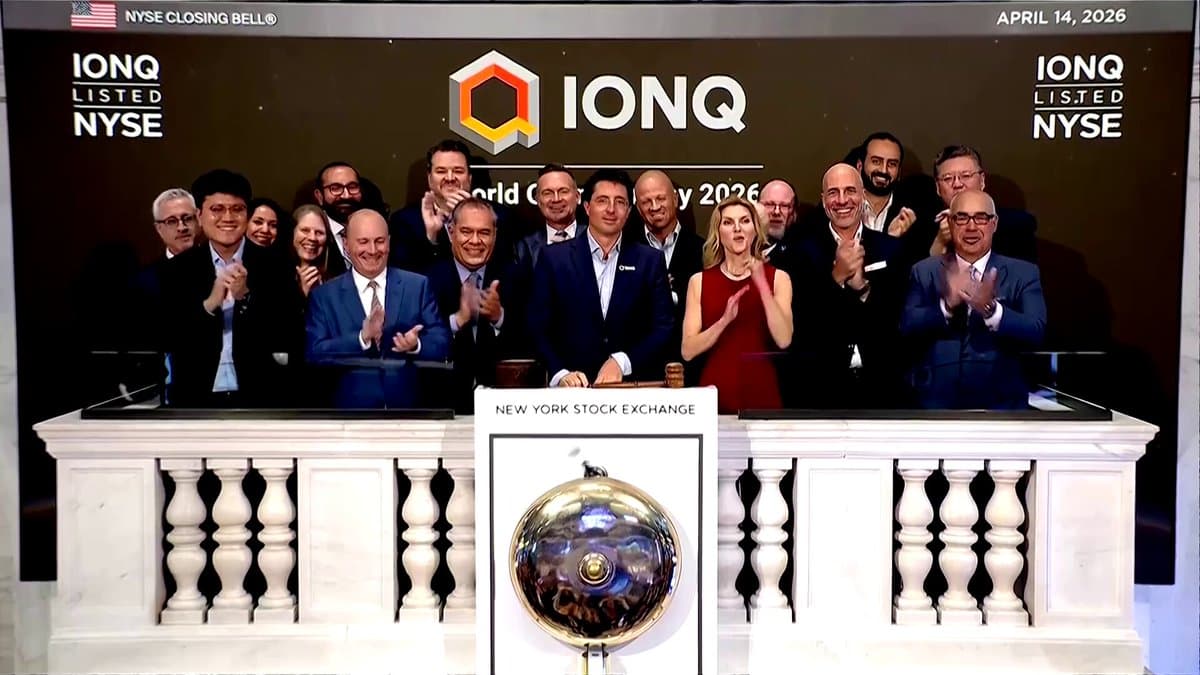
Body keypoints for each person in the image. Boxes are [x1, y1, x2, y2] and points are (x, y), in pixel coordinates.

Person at [900, 189, 1047, 409]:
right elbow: (907, 327)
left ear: (994, 224)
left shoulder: (1023, 273)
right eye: (962, 218)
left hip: (1002, 407)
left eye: (981, 218)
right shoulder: (924, 271)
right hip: (935, 407)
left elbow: (1036, 330)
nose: (971, 227)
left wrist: (992, 311)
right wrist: (946, 306)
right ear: (950, 223)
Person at [528, 169, 674, 387]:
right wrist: (560, 373)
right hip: (570, 392)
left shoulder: (650, 260)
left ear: (629, 211)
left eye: (620, 202)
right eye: (602, 200)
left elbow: (663, 327)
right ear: (587, 207)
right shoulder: (553, 258)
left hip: (632, 390)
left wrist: (623, 362)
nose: (611, 210)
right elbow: (537, 327)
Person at [160, 169, 291, 407]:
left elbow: (286, 334)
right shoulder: (177, 270)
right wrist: (210, 304)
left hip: (260, 396)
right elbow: (169, 337)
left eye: (237, 209)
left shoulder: (277, 266)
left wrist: (245, 297)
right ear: (199, 216)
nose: (228, 218)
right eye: (217, 209)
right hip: (195, 397)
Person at [788, 163, 909, 408]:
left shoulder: (891, 249)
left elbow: (896, 319)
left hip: (882, 386)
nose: (842, 200)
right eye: (833, 193)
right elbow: (803, 325)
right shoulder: (800, 253)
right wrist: (836, 279)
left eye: (850, 191)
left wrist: (862, 289)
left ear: (863, 195)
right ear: (824, 200)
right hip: (822, 386)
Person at [305, 209, 450, 408]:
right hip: (350, 416)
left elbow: (443, 342)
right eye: (363, 242)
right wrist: (361, 338)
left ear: (389, 242)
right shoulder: (324, 296)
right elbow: (314, 354)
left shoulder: (417, 286)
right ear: (346, 245)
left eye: (379, 241)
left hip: (409, 414)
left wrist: (415, 345)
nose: (373, 250)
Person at [681, 196, 793, 413]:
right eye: (728, 222)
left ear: (755, 229)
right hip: (715, 396)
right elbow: (687, 350)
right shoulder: (699, 281)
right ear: (718, 232)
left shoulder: (779, 278)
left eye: (745, 221)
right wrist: (723, 322)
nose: (737, 228)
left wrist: (762, 284)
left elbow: (784, 339)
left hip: (763, 395)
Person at [427, 198, 513, 413]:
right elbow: (421, 343)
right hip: (442, 406)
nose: (475, 241)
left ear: (495, 235)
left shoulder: (516, 277)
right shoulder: (426, 281)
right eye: (466, 232)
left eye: (484, 233)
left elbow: (531, 341)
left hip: (503, 408)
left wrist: (499, 318)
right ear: (451, 232)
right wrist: (457, 320)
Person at [631, 169, 704, 365]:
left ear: (675, 199)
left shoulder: (703, 250)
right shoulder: (625, 250)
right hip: (640, 365)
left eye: (661, 198)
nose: (655, 207)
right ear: (638, 208)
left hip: (691, 365)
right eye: (646, 202)